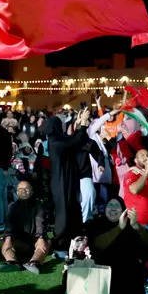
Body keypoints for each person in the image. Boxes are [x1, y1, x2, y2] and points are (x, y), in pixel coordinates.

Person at [45, 105, 94, 254]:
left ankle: (72, 240)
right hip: (61, 183)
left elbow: (74, 140)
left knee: (72, 209)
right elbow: (73, 141)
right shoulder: (54, 142)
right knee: (63, 212)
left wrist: (79, 124)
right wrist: (83, 126)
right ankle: (60, 242)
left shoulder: (59, 139)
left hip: (67, 182)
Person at [0, 178, 50, 273]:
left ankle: (34, 262)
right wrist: (8, 238)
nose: (23, 191)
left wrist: (41, 237)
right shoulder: (12, 206)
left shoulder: (39, 205)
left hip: (35, 241)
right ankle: (12, 262)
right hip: (19, 242)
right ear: (17, 192)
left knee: (46, 242)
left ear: (32, 191)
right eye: (20, 189)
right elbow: (9, 225)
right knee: (4, 241)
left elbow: (40, 223)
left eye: (26, 188)